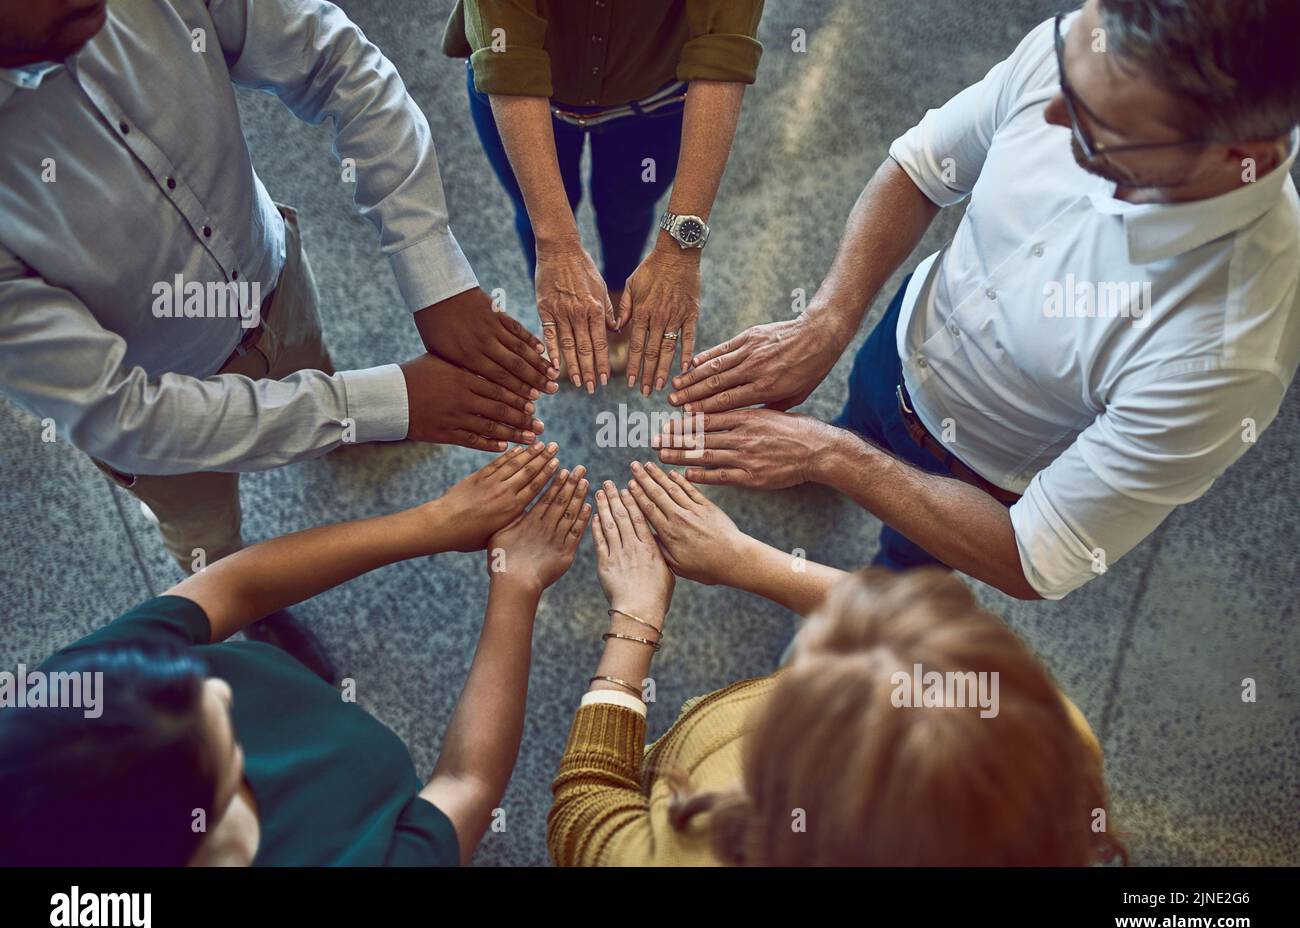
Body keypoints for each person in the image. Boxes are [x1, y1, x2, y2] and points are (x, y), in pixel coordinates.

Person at [655, 0, 1300, 601]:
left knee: (907, 566)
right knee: (856, 418)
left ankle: (868, 612)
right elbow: (921, 167)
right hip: (901, 337)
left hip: (973, 478)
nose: (1051, 113)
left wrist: (827, 454)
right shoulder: (1085, 56)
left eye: (1098, 130)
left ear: (1239, 155)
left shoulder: (1230, 351)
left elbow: (1033, 557)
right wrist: (830, 319)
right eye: (1068, 72)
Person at [0, 0, 561, 583]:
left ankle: (340, 442)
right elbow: (123, 417)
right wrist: (383, 404)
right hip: (163, 400)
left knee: (319, 372)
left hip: (276, 278)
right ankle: (244, 620)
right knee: (207, 545)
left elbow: (336, 60)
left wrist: (433, 274)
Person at [0, 442, 593, 866]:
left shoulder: (67, 713)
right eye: (221, 744)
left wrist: (434, 521)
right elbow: (465, 783)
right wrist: (516, 586)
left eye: (191, 681)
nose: (218, 686)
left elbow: (234, 587)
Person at [547, 461, 1123, 866]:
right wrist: (745, 560)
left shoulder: (698, 852)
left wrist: (635, 619)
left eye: (807, 691)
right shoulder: (1042, 740)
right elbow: (913, 634)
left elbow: (588, 807)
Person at [442, 0, 764, 393]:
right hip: (524, 91)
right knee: (538, 217)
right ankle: (570, 317)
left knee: (628, 208)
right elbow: (508, 57)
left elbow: (724, 47)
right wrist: (558, 248)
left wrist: (679, 251)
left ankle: (614, 303)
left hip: (655, 97)